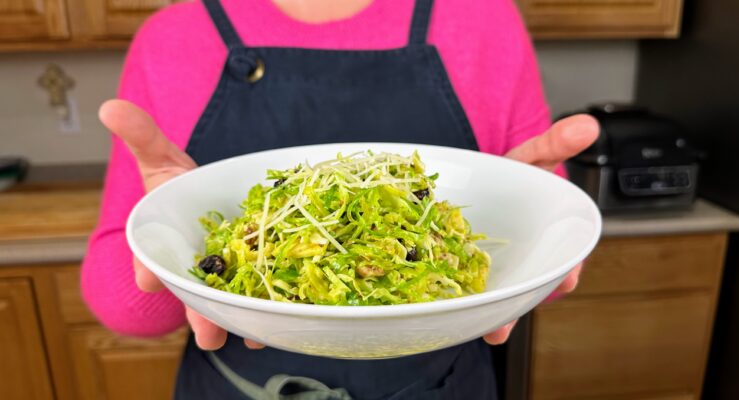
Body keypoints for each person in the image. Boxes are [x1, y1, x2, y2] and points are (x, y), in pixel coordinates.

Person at [83, 0, 598, 398]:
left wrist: (533, 223)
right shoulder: (173, 37)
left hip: (446, 386)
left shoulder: (482, 20)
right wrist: (164, 236)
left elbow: (540, 277)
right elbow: (126, 311)